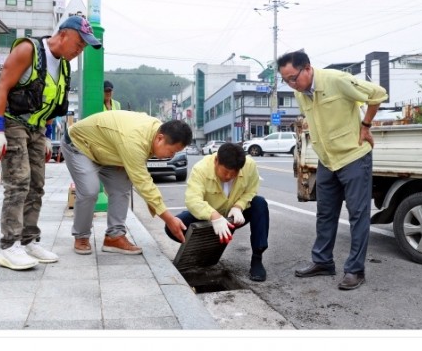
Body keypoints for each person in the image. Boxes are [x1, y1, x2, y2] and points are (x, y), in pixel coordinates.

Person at [0, 15, 102, 270]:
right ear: (63, 34)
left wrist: (47, 135)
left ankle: (28, 241)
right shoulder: (28, 50)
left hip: (37, 129)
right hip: (13, 122)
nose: (80, 49)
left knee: (37, 185)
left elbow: (50, 102)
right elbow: (2, 87)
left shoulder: (63, 67)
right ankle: (9, 246)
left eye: (84, 46)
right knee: (19, 183)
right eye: (79, 43)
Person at [277, 50, 388, 290]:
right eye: (285, 80)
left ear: (307, 68)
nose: (291, 84)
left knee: (358, 215)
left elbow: (378, 94)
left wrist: (366, 125)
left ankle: (355, 270)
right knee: (325, 213)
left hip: (353, 156)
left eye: (293, 78)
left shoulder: (336, 80)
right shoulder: (300, 94)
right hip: (326, 160)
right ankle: (323, 261)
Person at [61, 110, 192, 255]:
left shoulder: (155, 130)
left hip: (106, 149)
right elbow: (144, 183)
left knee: (122, 186)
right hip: (79, 145)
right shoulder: (134, 140)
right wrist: (169, 219)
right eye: (172, 152)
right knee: (90, 190)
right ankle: (81, 236)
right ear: (160, 138)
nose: (171, 156)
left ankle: (114, 237)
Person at [164, 142, 270, 282]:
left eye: (234, 174)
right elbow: (192, 200)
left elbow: (252, 190)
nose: (228, 177)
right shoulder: (201, 169)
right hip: (208, 217)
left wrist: (239, 206)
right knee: (173, 227)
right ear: (216, 161)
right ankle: (204, 249)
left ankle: (257, 259)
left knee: (260, 203)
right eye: (225, 172)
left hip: (234, 217)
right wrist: (213, 215)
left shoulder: (249, 165)